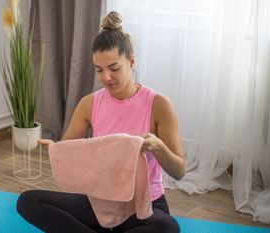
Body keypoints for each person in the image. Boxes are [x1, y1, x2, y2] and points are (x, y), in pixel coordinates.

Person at [16, 11, 186, 233]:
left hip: (144, 206)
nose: (106, 77)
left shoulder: (158, 104)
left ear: (131, 61)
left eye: (114, 68)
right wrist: (57, 151)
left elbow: (179, 171)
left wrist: (157, 146)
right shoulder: (90, 103)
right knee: (28, 201)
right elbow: (69, 151)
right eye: (99, 70)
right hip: (99, 202)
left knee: (167, 227)